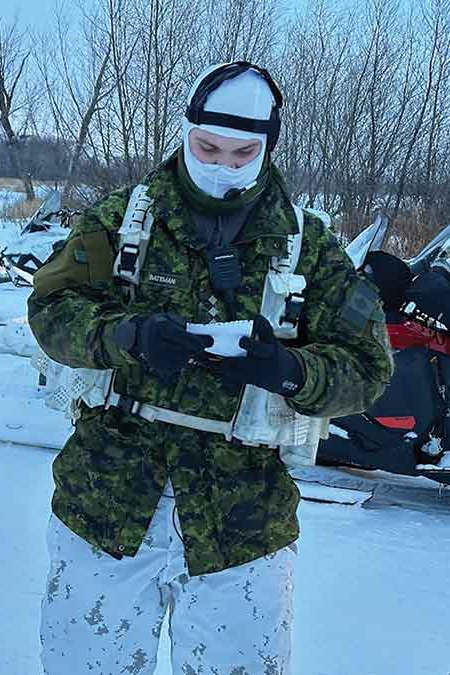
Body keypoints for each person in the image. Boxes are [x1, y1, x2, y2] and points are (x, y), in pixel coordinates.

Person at [28, 62, 394, 674]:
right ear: (187, 131)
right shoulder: (123, 220)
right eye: (207, 146)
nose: (223, 163)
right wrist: (127, 335)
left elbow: (367, 366)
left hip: (242, 527)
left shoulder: (310, 245)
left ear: (268, 148)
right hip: (105, 505)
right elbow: (50, 309)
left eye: (242, 151)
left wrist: (288, 371)